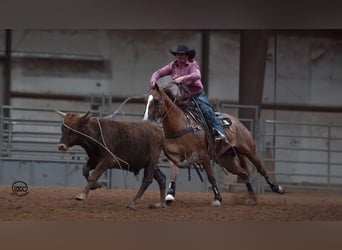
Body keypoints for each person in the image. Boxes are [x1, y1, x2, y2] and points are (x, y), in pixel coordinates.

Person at [150, 44, 227, 142]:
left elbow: (197, 75)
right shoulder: (172, 65)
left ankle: (220, 131)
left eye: (182, 54)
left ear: (187, 56)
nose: (179, 56)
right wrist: (153, 80)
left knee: (206, 111)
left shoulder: (193, 64)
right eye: (178, 54)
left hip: (197, 95)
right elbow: (158, 72)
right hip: (184, 96)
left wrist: (183, 78)